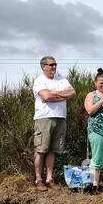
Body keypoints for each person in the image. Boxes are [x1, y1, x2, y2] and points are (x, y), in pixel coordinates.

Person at [32, 55, 75, 190]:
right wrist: (61, 95)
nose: (54, 67)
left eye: (55, 64)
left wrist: (53, 95)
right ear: (43, 66)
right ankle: (38, 180)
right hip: (44, 118)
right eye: (51, 65)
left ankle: (49, 178)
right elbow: (46, 96)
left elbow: (72, 92)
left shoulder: (62, 79)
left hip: (60, 117)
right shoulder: (39, 80)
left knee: (53, 150)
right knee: (41, 149)